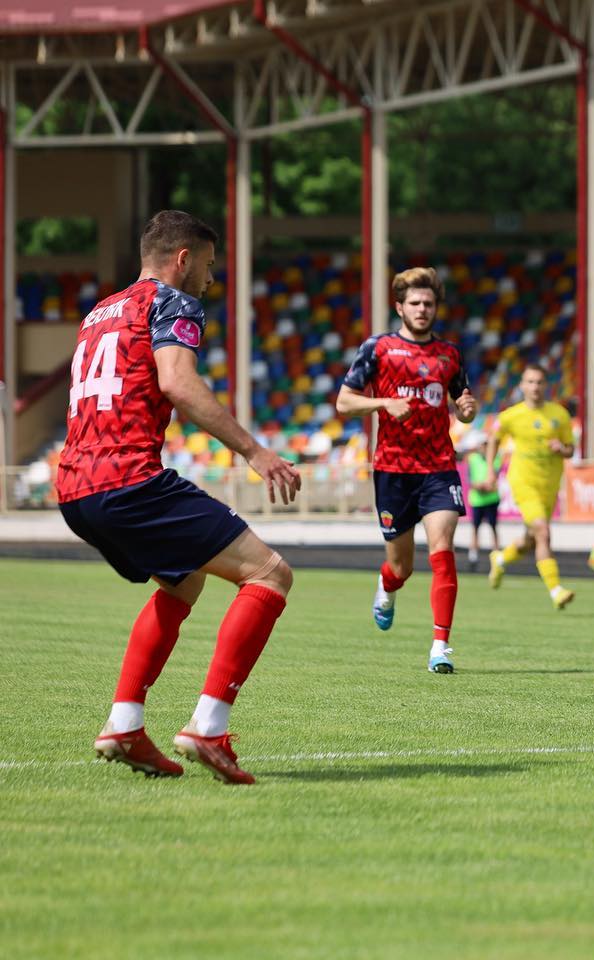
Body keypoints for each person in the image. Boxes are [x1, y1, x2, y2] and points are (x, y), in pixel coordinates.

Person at [58, 210, 301, 785]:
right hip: (127, 478)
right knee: (270, 574)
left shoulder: (99, 313)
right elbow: (177, 382)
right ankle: (208, 728)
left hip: (74, 486)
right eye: (209, 266)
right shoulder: (172, 301)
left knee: (183, 581)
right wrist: (254, 451)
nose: (210, 280)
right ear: (183, 259)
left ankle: (124, 724)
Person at [337, 267, 478, 673]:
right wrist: (383, 403)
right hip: (393, 469)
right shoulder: (378, 348)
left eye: (428, 303)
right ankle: (387, 585)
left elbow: (463, 406)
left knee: (443, 550)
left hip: (438, 467)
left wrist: (467, 411)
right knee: (402, 567)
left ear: (436, 308)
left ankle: (440, 647)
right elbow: (344, 402)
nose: (422, 309)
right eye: (414, 303)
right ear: (399, 307)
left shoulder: (450, 354)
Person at [483, 364, 576, 610]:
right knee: (543, 532)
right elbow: (493, 439)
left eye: (539, 382)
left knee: (531, 540)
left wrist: (562, 448)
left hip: (549, 485)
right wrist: (491, 470)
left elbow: (570, 449)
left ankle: (500, 559)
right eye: (530, 382)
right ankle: (556, 590)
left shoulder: (559, 414)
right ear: (522, 386)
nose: (535, 387)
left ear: (546, 385)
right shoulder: (511, 415)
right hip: (523, 482)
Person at [465, 437, 502, 571]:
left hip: (491, 499)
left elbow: (495, 479)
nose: (484, 448)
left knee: (493, 527)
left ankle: (497, 556)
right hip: (477, 500)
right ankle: (473, 555)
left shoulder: (496, 460)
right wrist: (479, 486)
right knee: (475, 528)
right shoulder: (473, 459)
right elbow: (470, 479)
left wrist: (486, 486)